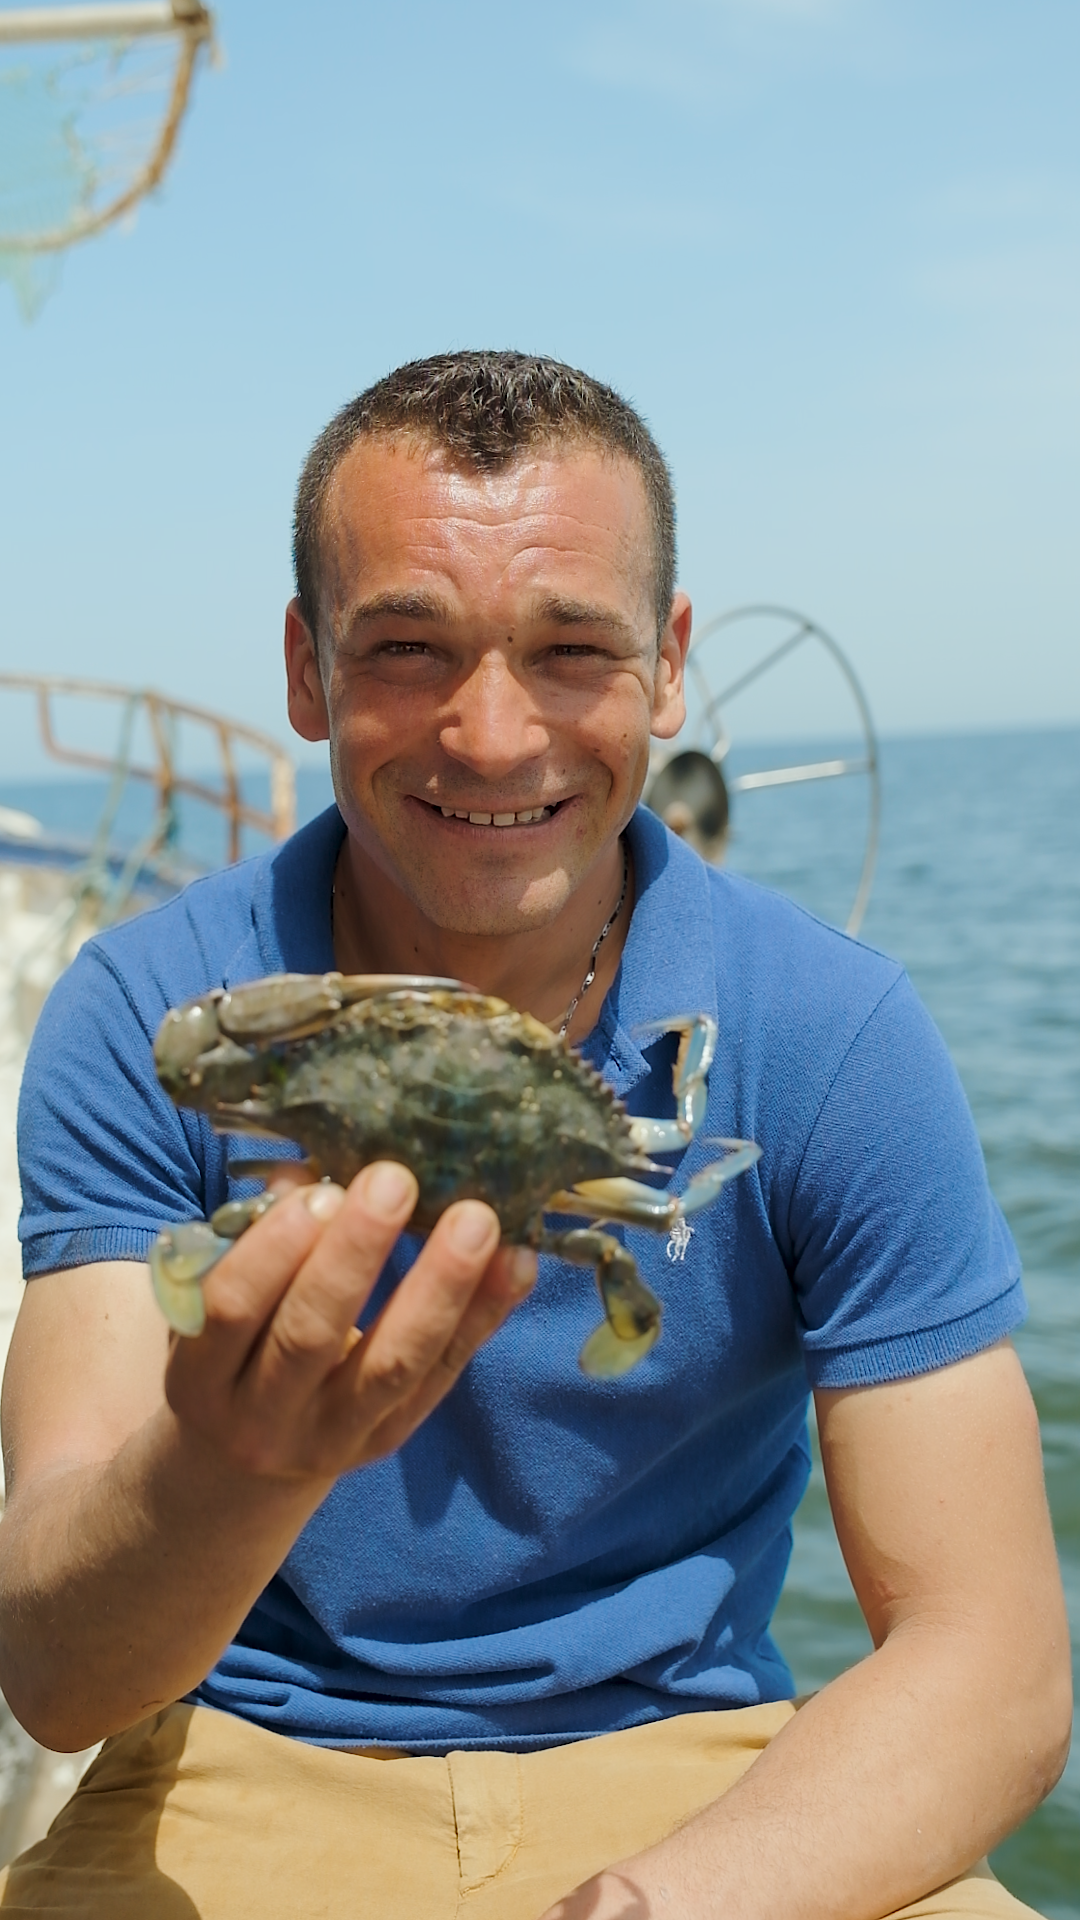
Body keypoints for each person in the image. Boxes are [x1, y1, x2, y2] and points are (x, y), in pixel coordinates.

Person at [0, 352, 1069, 1920]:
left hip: (713, 1779)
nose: (493, 737)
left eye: (572, 650)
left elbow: (999, 1664)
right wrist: (227, 1466)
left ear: (671, 662)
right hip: (244, 1761)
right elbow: (53, 1676)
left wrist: (650, 1910)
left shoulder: (823, 1033)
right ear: (305, 668)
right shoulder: (157, 1016)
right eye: (408, 648)